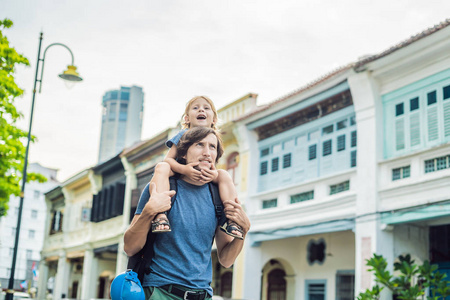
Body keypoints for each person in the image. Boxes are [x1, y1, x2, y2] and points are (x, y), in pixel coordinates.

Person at [124, 127, 250, 299]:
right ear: (183, 154)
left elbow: (226, 261)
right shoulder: (160, 187)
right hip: (160, 291)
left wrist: (243, 231)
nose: (207, 152)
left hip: (202, 294)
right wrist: (149, 211)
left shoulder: (218, 197)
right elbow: (130, 247)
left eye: (212, 147)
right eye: (199, 144)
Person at [150, 95, 244, 239]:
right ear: (187, 118)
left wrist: (213, 175)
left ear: (214, 119)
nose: (201, 110)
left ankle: (233, 220)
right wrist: (184, 169)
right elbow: (168, 159)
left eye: (206, 108)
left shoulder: (214, 138)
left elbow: (212, 164)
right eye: (196, 108)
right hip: (179, 169)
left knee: (224, 175)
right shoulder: (183, 135)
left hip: (204, 175)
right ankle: (160, 214)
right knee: (161, 167)